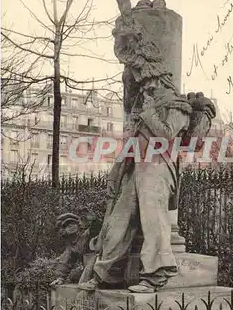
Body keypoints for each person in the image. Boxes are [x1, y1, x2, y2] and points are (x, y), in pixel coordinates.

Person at [78, 81, 192, 293]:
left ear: (163, 83)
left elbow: (166, 135)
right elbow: (131, 144)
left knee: (153, 222)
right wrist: (114, 174)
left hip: (159, 168)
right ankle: (106, 274)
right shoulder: (146, 111)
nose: (145, 90)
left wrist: (149, 113)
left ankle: (155, 276)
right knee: (117, 223)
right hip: (136, 170)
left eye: (150, 86)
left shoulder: (177, 107)